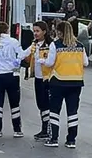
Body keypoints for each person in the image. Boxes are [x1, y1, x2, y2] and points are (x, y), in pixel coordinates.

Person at [38, 20, 89, 148]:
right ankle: (71, 140)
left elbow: (49, 63)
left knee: (54, 111)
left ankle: (54, 138)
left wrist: (42, 60)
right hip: (76, 83)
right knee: (72, 112)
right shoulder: (80, 46)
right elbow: (86, 63)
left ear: (59, 32)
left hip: (58, 82)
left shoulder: (56, 45)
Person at [0, 22, 30, 138]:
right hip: (12, 75)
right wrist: (31, 48)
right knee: (14, 104)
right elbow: (22, 54)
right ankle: (17, 130)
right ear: (7, 30)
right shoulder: (13, 42)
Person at [27, 21, 54, 140]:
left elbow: (52, 61)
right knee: (40, 104)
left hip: (47, 79)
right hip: (38, 78)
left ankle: (47, 129)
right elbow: (26, 54)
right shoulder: (35, 44)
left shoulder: (50, 45)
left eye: (37, 31)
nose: (35, 33)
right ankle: (44, 128)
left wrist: (44, 61)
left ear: (44, 31)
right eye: (34, 31)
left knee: (46, 104)